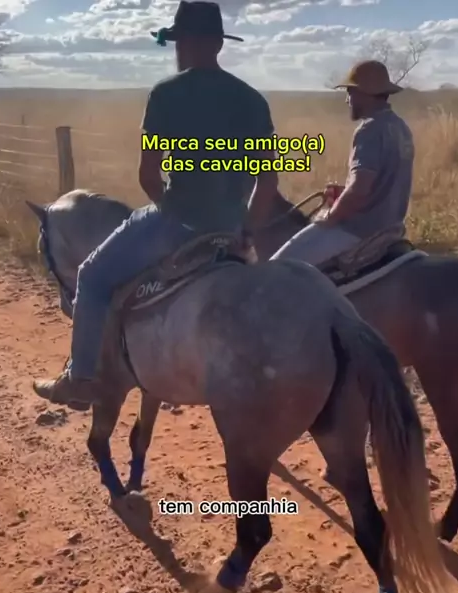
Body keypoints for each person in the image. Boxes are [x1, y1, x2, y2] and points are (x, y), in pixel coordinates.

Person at [33, 0, 278, 409]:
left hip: (177, 224)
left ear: (187, 44)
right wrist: (245, 231)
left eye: (180, 41)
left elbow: (148, 176)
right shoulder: (253, 100)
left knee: (92, 275)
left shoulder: (165, 94)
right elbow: (268, 182)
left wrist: (173, 207)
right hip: (231, 228)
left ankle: (81, 378)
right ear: (219, 44)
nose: (178, 49)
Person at [271, 59, 415, 266]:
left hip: (357, 230)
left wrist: (330, 216)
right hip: (390, 228)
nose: (347, 100)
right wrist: (345, 191)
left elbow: (359, 190)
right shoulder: (400, 127)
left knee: (278, 267)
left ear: (364, 93)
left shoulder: (369, 129)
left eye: (350, 92)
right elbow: (382, 183)